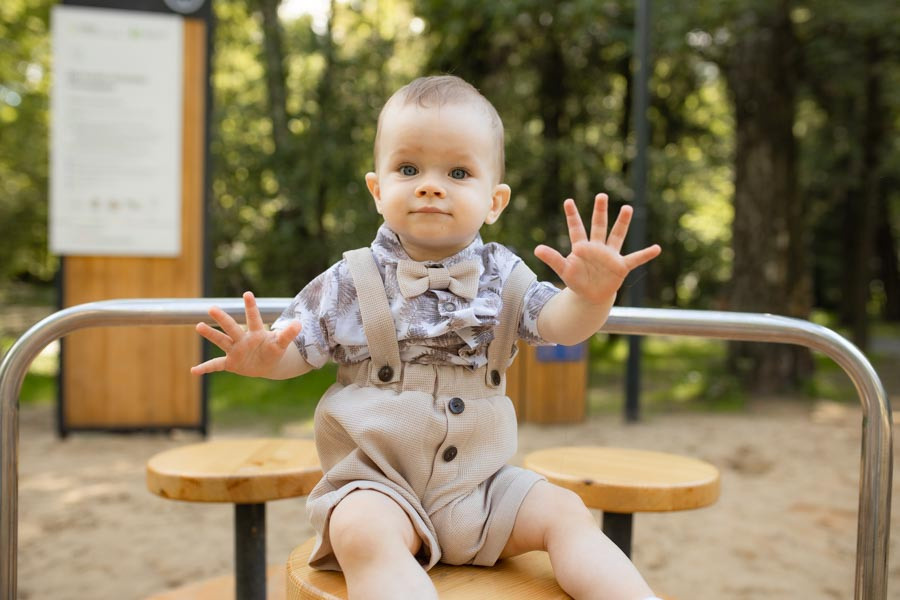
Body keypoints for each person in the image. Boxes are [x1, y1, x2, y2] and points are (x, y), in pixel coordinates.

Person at [192, 75, 663, 600]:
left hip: (482, 492)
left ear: (494, 201)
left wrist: (592, 299)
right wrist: (265, 359)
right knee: (360, 531)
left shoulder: (504, 276)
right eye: (409, 169)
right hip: (379, 485)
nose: (430, 185)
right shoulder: (349, 280)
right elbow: (297, 349)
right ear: (377, 189)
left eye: (458, 172)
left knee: (566, 511)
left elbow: (558, 325)